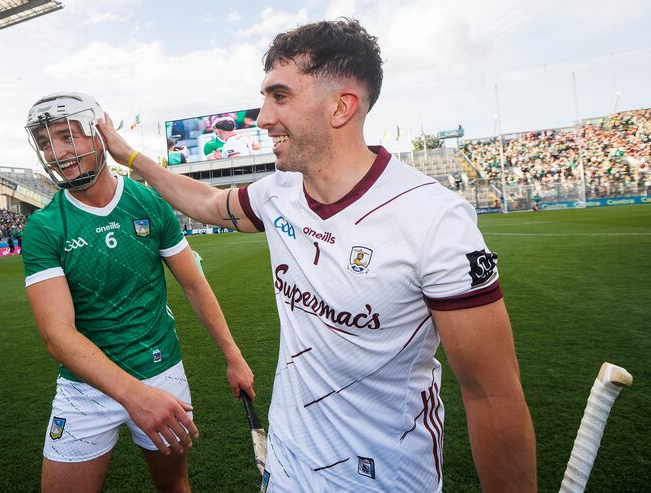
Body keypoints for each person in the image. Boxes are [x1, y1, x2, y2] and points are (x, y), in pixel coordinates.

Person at [96, 18, 536, 493]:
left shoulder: (434, 220)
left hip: (386, 477)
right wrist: (129, 156)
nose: (262, 118)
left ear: (341, 106)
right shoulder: (278, 193)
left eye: (280, 97)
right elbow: (205, 202)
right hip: (287, 464)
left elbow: (492, 396)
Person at [22, 92, 255, 493]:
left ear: (100, 134)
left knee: (174, 487)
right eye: (45, 142)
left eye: (66, 136)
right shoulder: (44, 228)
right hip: (85, 388)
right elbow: (56, 335)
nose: (56, 152)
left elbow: (194, 284)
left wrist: (233, 356)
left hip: (162, 372)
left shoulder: (147, 200)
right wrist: (134, 396)